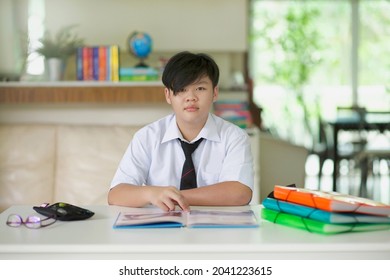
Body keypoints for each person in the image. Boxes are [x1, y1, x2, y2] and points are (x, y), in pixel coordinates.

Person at [108, 51, 254, 211]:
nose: (190, 97)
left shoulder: (234, 137)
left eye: (200, 88)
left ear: (215, 93)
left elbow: (240, 193)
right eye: (182, 89)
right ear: (168, 95)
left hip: (216, 231)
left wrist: (174, 196)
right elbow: (116, 194)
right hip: (160, 230)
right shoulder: (147, 136)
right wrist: (152, 194)